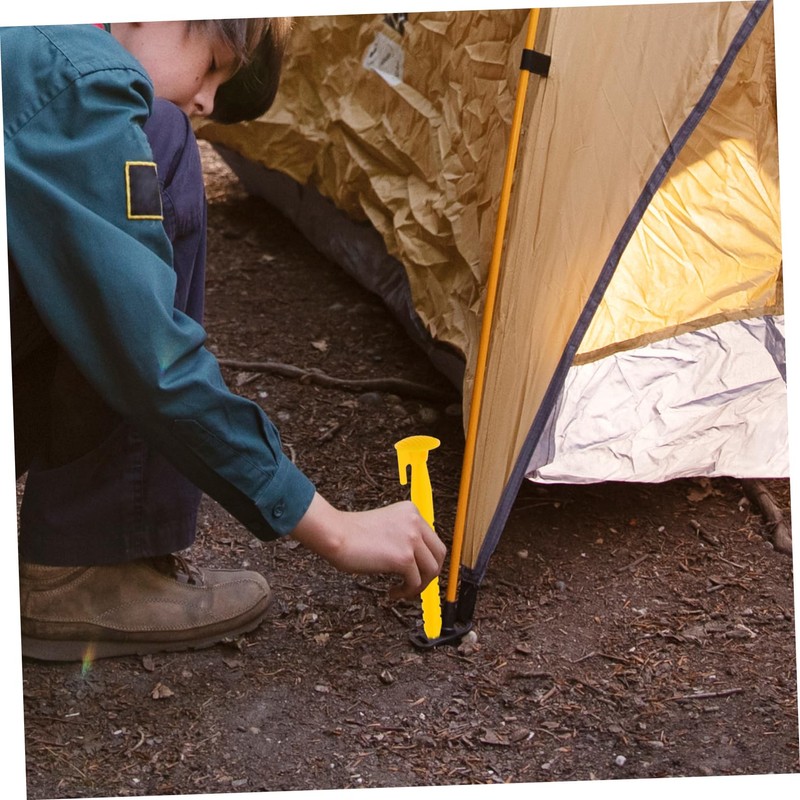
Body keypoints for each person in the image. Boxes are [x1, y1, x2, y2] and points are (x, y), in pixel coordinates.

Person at [3, 19, 446, 661]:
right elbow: (149, 355)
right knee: (165, 137)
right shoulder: (77, 77)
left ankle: (91, 554)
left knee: (161, 134)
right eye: (212, 63)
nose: (209, 100)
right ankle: (87, 570)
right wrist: (333, 528)